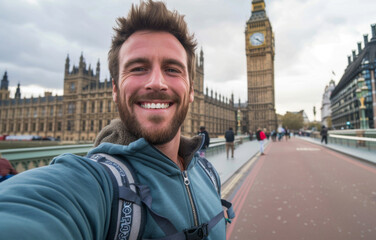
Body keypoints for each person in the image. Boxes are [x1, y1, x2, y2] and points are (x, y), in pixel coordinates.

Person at [0, 1, 231, 239]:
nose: (156, 82)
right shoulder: (98, 182)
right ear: (114, 88)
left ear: (192, 89)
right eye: (138, 68)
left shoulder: (208, 174)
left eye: (172, 69)